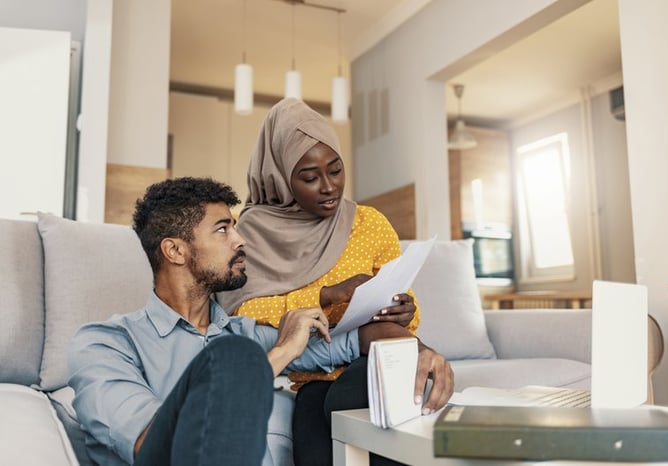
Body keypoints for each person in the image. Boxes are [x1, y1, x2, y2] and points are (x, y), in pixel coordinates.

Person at [216, 98, 454, 466]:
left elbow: (404, 304)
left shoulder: (369, 222)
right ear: (280, 176)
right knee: (315, 443)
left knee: (349, 399)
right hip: (311, 373)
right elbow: (244, 313)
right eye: (310, 178)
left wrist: (407, 308)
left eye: (336, 171)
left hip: (373, 360)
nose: (328, 187)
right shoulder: (250, 231)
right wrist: (328, 294)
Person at [68, 177, 365, 465]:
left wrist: (391, 326)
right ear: (175, 250)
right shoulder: (104, 343)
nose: (240, 240)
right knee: (234, 354)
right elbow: (149, 446)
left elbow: (338, 347)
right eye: (223, 230)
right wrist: (281, 353)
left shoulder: (240, 331)